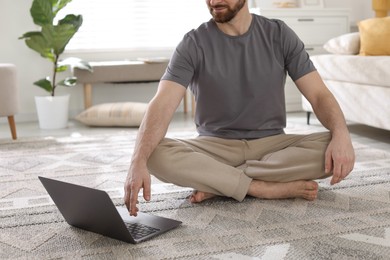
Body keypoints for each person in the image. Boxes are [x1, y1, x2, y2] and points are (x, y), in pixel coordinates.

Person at [124, 0, 355, 216]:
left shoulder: (279, 34)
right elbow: (162, 104)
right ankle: (260, 187)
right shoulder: (193, 43)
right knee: (152, 153)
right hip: (215, 147)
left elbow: (318, 94)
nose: (214, 1)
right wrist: (137, 161)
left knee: (333, 145)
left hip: (272, 146)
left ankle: (221, 183)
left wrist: (342, 134)